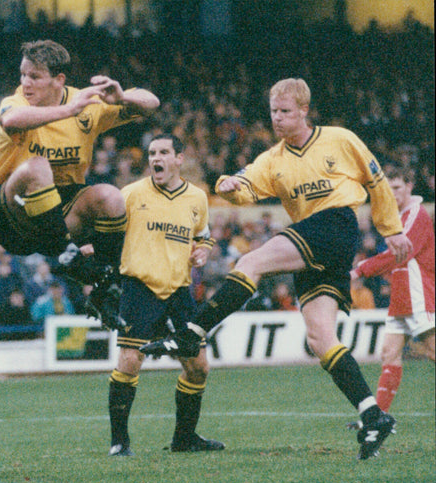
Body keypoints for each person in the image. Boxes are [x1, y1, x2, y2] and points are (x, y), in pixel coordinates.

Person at [140, 78, 413, 460]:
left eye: (285, 112)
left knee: (251, 261)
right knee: (321, 339)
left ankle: (193, 331)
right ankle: (373, 414)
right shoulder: (273, 159)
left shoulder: (340, 139)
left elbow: (377, 182)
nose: (278, 119)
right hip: (317, 242)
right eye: (273, 112)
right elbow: (247, 187)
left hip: (336, 223)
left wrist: (392, 230)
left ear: (304, 110)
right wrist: (228, 183)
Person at [0, 39, 159, 330]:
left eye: (34, 77)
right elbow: (11, 120)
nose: (26, 83)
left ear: (59, 80)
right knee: (38, 165)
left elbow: (152, 104)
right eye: (23, 74)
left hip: (59, 213)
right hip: (8, 213)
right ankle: (68, 254)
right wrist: (69, 111)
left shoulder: (87, 105)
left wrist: (122, 96)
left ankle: (105, 287)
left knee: (111, 197)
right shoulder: (17, 102)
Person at [108, 134, 223, 457]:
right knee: (130, 360)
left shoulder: (197, 198)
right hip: (139, 287)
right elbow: (107, 233)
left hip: (178, 290)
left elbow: (204, 236)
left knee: (198, 366)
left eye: (163, 152)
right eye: (151, 153)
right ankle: (119, 442)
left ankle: (184, 439)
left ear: (178, 159)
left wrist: (202, 251)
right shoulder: (130, 195)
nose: (155, 158)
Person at [350, 167, 434, 415]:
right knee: (389, 354)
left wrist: (360, 270)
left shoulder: (416, 214)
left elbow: (400, 253)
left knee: (432, 350)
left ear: (410, 186)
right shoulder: (397, 217)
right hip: (401, 296)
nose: (392, 193)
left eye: (397, 187)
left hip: (418, 293)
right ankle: (378, 419)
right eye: (388, 188)